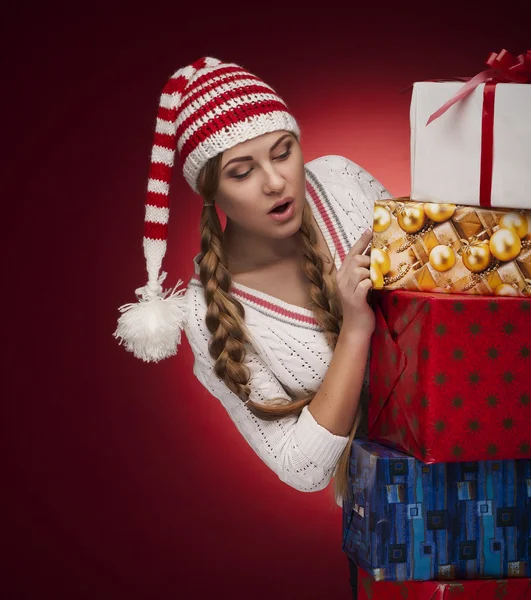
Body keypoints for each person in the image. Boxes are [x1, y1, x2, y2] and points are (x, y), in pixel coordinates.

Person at [114, 56, 392, 600]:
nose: (274, 182)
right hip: (397, 521)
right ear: (212, 191)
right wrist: (355, 331)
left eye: (283, 151)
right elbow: (304, 467)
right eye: (242, 172)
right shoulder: (208, 312)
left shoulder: (340, 181)